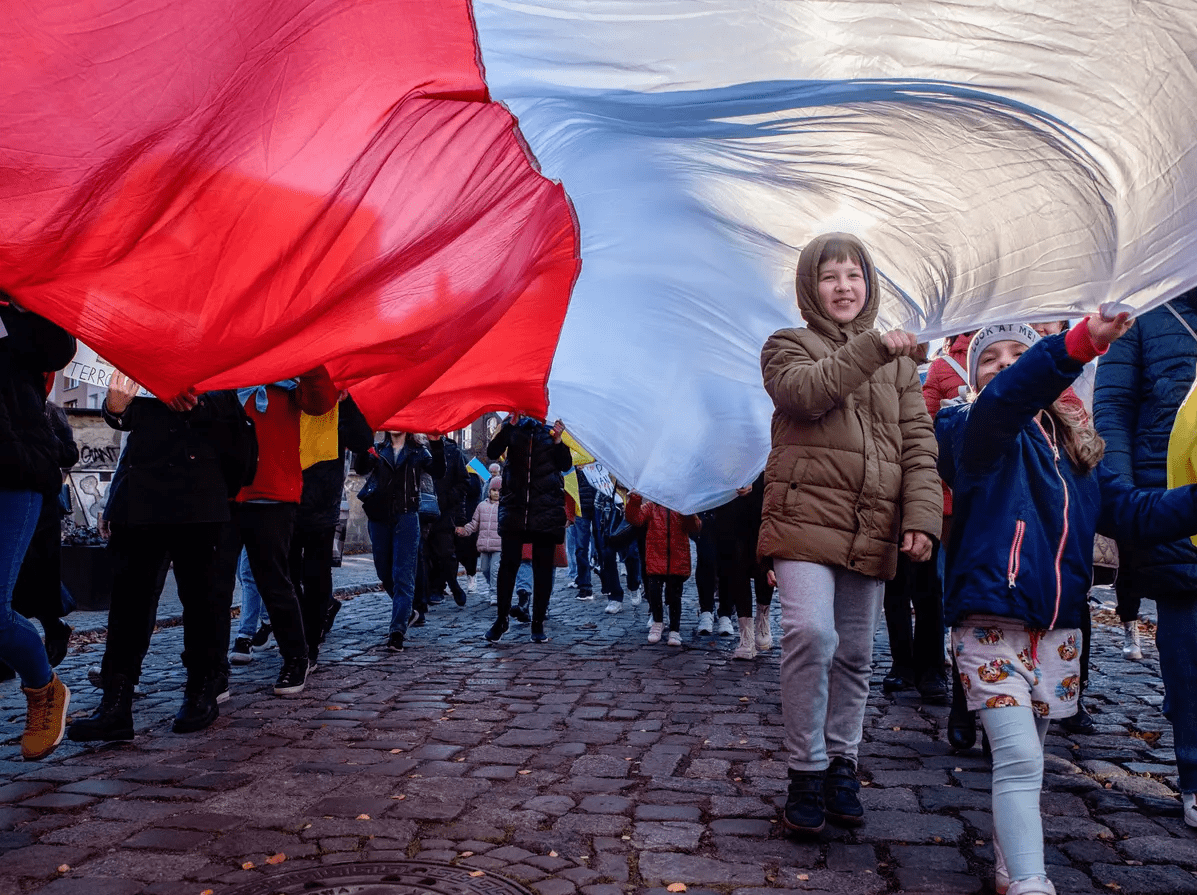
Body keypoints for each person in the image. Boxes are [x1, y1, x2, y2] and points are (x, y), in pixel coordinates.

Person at [937, 312, 1197, 894]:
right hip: (990, 626)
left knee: (1026, 761)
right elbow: (1009, 397)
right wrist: (1076, 344)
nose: (1006, 364)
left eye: (1016, 354)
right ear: (978, 378)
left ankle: (1010, 872)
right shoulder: (972, 430)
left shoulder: (1079, 452)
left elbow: (1134, 514)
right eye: (991, 359)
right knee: (1020, 757)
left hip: (1058, 633)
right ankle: (1032, 882)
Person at [757, 233, 942, 835]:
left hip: (872, 523)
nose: (843, 287)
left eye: (854, 276)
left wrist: (921, 518)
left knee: (857, 655)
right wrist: (871, 349)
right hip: (802, 521)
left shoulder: (901, 365)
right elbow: (804, 394)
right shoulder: (786, 345)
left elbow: (917, 444)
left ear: (869, 284)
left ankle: (842, 762)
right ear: (812, 287)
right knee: (811, 634)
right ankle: (805, 770)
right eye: (830, 276)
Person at [69, 373, 248, 740]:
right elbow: (127, 423)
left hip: (199, 496)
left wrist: (198, 403)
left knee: (202, 600)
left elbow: (231, 418)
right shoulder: (141, 352)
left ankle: (201, 689)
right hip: (141, 494)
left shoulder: (215, 357)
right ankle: (115, 704)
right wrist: (114, 407)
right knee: (129, 604)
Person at [1093, 289, 1197, 828]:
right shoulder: (1148, 312)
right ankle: (1195, 774)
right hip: (1169, 497)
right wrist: (1127, 500)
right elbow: (1112, 408)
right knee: (1189, 628)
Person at [215, 370, 339, 696]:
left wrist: (309, 361)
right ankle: (211, 672)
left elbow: (321, 401)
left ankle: (296, 657)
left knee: (273, 579)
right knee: (214, 584)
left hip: (273, 491)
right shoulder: (228, 374)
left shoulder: (289, 373)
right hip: (223, 492)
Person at [0, 295, 74, 760]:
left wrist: (24, 299)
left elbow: (56, 349)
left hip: (13, 475)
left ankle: (43, 687)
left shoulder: (12, 312)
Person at [920, 330, 979, 745]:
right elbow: (923, 435)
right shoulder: (943, 367)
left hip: (1015, 503)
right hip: (952, 503)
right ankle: (962, 696)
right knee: (956, 594)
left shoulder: (1028, 353)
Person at [484, 413, 571, 644]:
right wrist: (508, 429)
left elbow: (566, 465)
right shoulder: (511, 425)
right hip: (516, 507)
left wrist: (559, 441)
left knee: (542, 569)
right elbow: (493, 452)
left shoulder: (552, 429)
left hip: (545, 509)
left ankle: (538, 623)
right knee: (508, 566)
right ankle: (501, 620)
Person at [355, 431, 433, 651]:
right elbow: (360, 468)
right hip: (379, 518)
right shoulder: (378, 450)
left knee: (403, 575)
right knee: (383, 571)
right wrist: (364, 441)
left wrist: (436, 443)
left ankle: (397, 630)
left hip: (407, 516)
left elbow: (438, 470)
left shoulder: (419, 451)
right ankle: (407, 611)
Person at [625, 492, 700, 646]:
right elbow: (635, 519)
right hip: (655, 559)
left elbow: (694, 527)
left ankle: (675, 629)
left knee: (674, 596)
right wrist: (634, 500)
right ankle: (657, 622)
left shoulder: (681, 507)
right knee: (654, 593)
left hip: (676, 560)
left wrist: (689, 511)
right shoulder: (652, 506)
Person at [712, 474, 774, 660]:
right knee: (736, 567)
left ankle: (762, 620)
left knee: (762, 562)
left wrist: (755, 485)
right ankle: (745, 635)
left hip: (761, 507)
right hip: (730, 508)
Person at [458, 480, 502, 603]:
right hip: (484, 544)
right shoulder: (482, 506)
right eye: (494, 490)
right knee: (484, 569)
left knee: (495, 570)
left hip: (498, 545)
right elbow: (474, 523)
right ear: (489, 491)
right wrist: (465, 530)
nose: (496, 493)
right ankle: (492, 585)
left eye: (499, 491)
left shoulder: (504, 507)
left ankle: (495, 593)